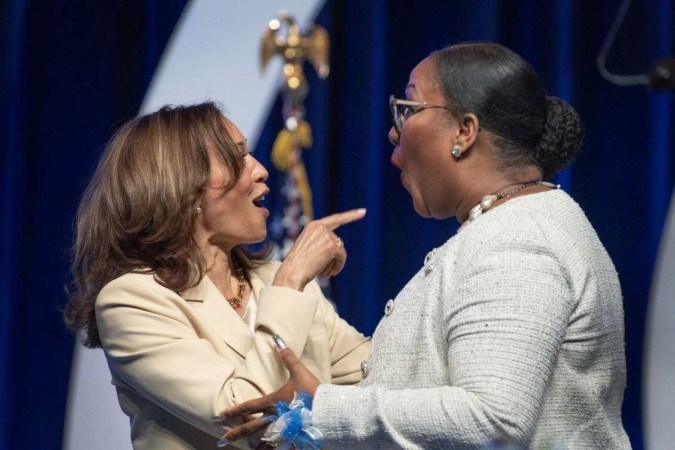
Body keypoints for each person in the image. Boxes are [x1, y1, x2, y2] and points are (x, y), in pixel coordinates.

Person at [221, 42, 632, 449]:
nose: (393, 130)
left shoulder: (516, 243)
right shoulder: (511, 225)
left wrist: (326, 408)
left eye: (408, 109)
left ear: (464, 131)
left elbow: (493, 421)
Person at [63, 102, 371, 449]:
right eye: (238, 158)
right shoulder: (130, 300)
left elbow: (377, 380)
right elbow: (244, 411)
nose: (260, 171)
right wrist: (291, 281)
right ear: (184, 186)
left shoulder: (281, 282)